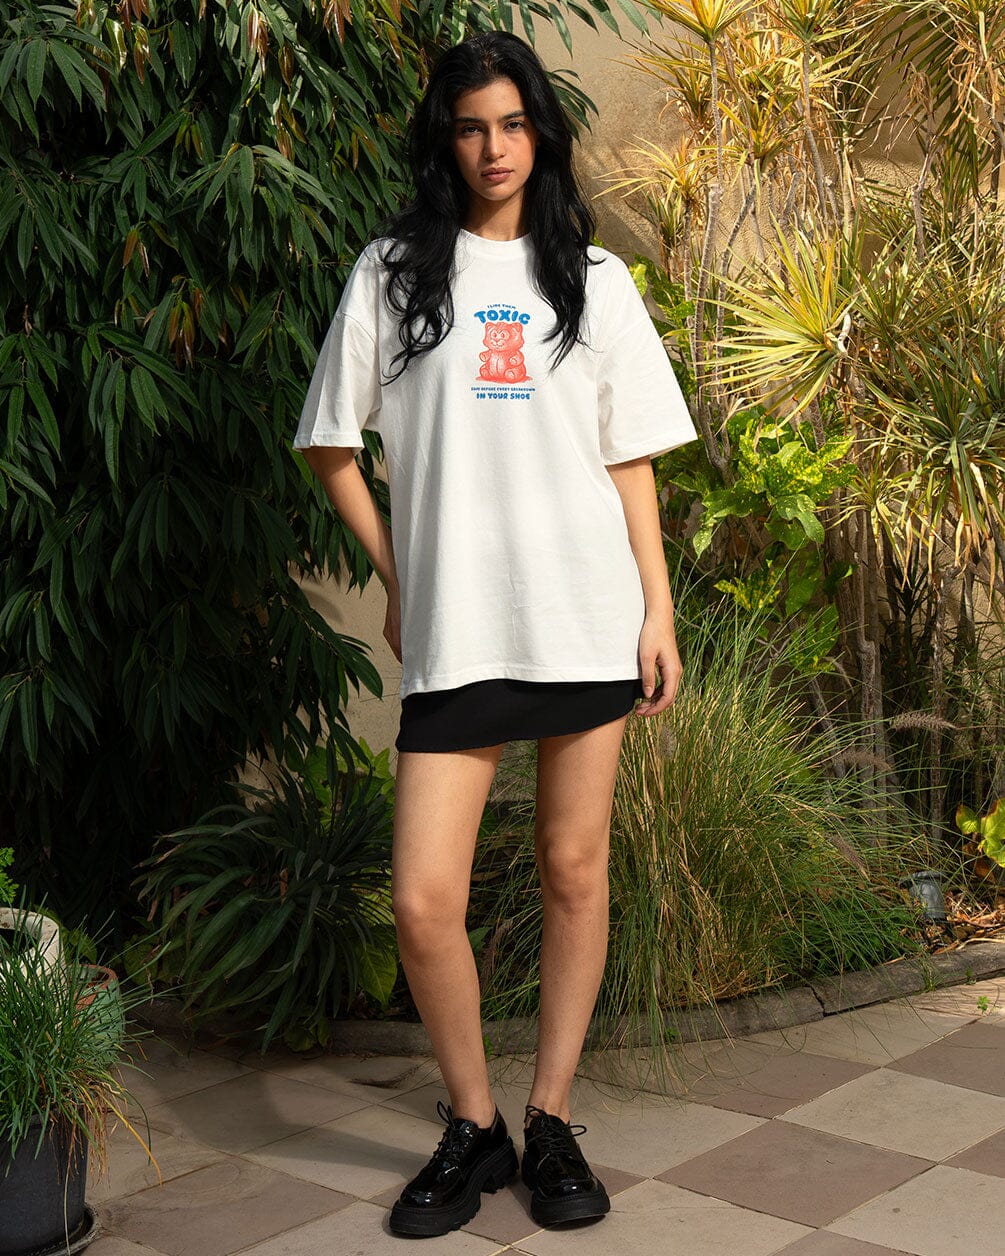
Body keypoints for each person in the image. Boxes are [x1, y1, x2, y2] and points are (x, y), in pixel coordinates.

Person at [294, 30, 697, 1239]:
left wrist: (657, 604)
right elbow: (330, 443)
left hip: (583, 611)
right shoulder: (391, 274)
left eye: (514, 124)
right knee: (425, 898)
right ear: (447, 140)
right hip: (461, 626)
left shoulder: (596, 280)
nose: (495, 148)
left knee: (575, 868)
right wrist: (401, 572)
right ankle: (473, 1124)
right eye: (472, 127)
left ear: (542, 135)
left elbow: (628, 456)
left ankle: (551, 1115)